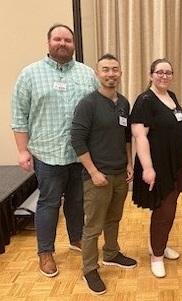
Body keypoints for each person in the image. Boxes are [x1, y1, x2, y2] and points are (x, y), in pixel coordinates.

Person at [11, 24, 98, 277]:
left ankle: (76, 238)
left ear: (73, 44)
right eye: (58, 39)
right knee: (49, 203)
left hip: (79, 154)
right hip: (46, 153)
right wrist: (22, 151)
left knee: (77, 201)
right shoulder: (29, 74)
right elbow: (19, 116)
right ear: (48, 42)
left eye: (67, 40)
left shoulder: (86, 75)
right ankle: (45, 251)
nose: (63, 43)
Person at [71, 54, 137, 294]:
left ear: (121, 73)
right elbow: (77, 140)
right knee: (93, 226)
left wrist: (129, 164)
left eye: (115, 69)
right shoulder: (88, 104)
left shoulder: (124, 103)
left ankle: (111, 253)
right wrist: (93, 171)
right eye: (106, 69)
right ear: (97, 74)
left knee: (114, 219)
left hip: (120, 173)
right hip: (97, 176)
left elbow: (126, 137)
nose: (111, 74)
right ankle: (89, 268)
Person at [129, 59, 182, 278]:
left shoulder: (171, 97)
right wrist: (148, 168)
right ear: (151, 75)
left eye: (168, 72)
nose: (164, 76)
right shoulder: (145, 100)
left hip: (176, 164)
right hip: (158, 166)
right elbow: (139, 136)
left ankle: (159, 245)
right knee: (164, 211)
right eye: (159, 72)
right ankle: (156, 256)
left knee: (168, 208)